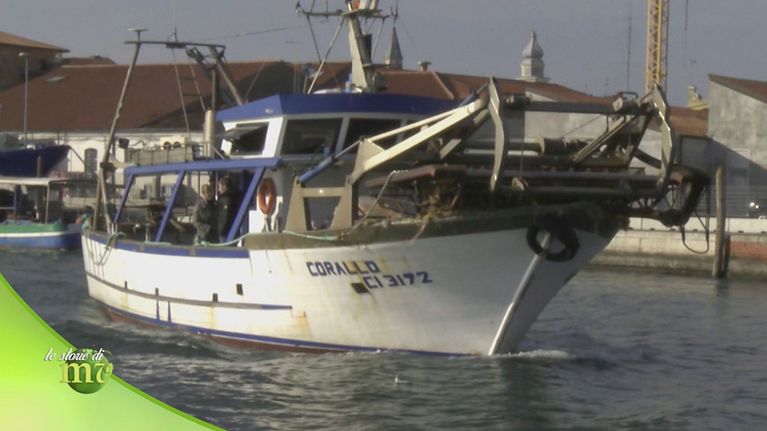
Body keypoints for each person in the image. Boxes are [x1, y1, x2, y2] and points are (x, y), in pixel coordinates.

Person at [217, 176, 238, 243]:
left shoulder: (225, 199)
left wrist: (220, 231)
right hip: (233, 230)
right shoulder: (233, 197)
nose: (218, 189)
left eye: (219, 187)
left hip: (225, 232)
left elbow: (224, 216)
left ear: (224, 186)